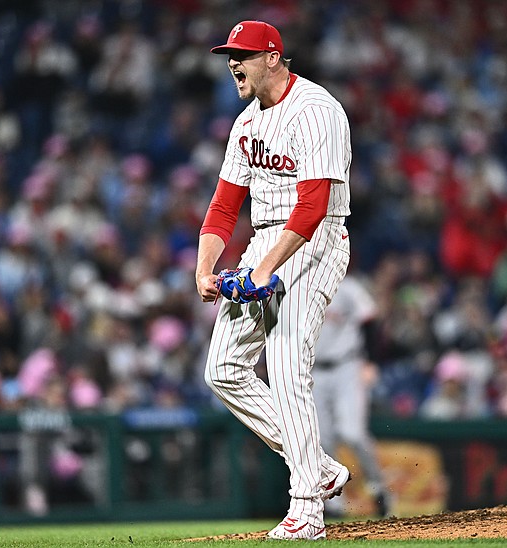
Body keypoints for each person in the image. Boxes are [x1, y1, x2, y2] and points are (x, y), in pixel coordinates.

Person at [195, 20, 352, 540]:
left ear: (272, 57)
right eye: (227, 54)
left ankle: (307, 506)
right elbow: (222, 208)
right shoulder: (245, 124)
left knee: (286, 367)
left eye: (241, 53)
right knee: (222, 369)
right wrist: (205, 266)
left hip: (315, 239)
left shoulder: (317, 110)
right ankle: (321, 468)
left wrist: (264, 269)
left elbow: (312, 207)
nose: (231, 62)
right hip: (265, 240)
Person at [312, 274, 391, 518]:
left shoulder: (348, 287)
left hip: (348, 366)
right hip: (313, 370)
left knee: (352, 433)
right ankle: (335, 502)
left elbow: (370, 323)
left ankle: (378, 487)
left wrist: (371, 361)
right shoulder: (301, 288)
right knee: (322, 440)